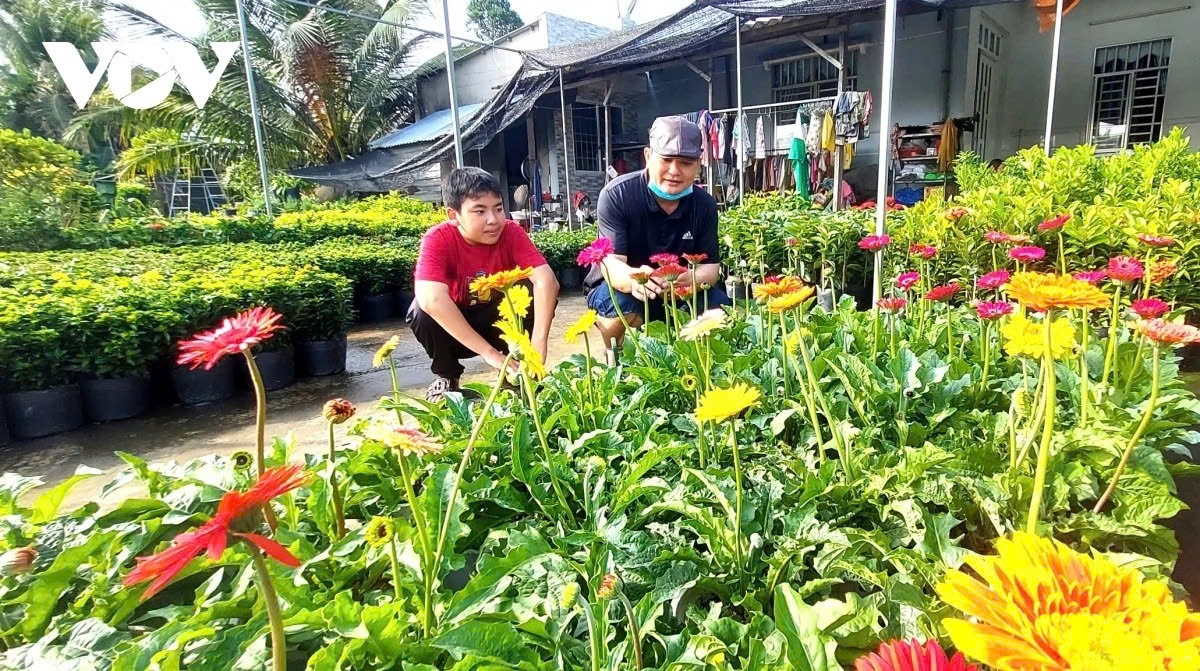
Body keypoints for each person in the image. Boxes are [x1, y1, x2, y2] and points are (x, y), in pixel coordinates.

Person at [408, 167, 559, 401]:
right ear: (453, 215)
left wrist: (538, 346)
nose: (493, 220)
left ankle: (516, 370)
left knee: (532, 291)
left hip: (501, 324)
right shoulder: (438, 239)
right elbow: (431, 298)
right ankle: (447, 377)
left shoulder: (511, 231)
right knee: (421, 309)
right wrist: (489, 354)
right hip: (457, 330)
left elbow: (547, 281)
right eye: (480, 211)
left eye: (498, 208)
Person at [584, 116, 731, 347]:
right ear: (648, 156)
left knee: (721, 307)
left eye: (685, 163)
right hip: (626, 290)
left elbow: (710, 269)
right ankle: (618, 357)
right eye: (666, 159)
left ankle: (695, 360)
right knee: (620, 306)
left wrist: (691, 279)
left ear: (698, 165)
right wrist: (635, 280)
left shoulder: (705, 205)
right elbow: (611, 264)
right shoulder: (617, 195)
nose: (674, 171)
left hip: (680, 292)